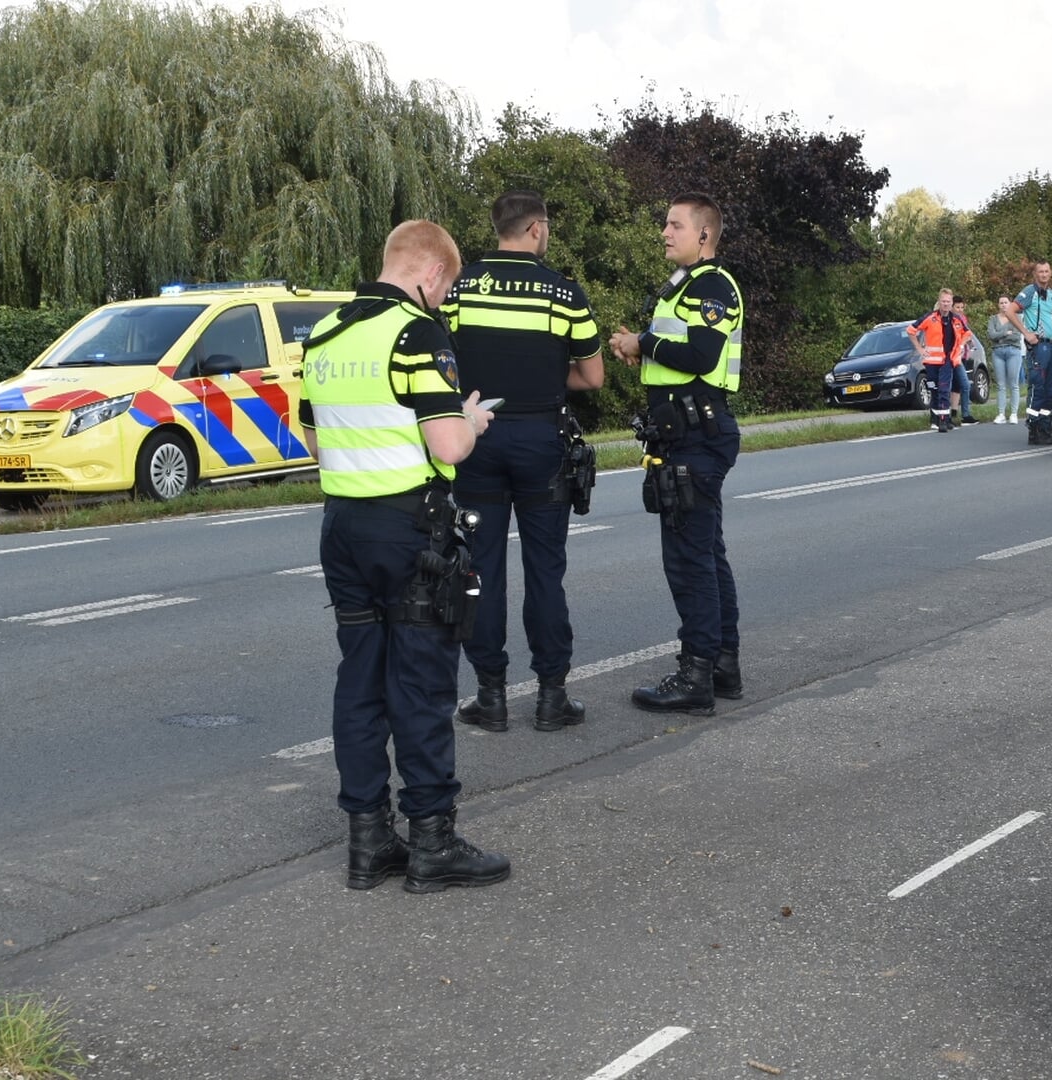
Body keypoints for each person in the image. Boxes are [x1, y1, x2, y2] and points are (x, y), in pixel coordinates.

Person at [298, 220, 512, 895]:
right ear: (431, 275)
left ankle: (369, 842)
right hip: (410, 530)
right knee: (419, 682)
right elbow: (448, 447)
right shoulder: (416, 332)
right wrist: (471, 423)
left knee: (360, 680)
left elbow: (314, 436)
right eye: (444, 292)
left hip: (342, 527)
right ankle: (432, 841)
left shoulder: (325, 333)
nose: (442, 304)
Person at [441, 191, 605, 737]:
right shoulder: (564, 293)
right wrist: (539, 379)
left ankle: (490, 696)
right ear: (537, 229)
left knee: (479, 569)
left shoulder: (461, 287)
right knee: (545, 571)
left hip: (477, 436)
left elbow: (443, 366)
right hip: (541, 439)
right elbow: (593, 377)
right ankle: (551, 698)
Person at [608, 192, 745, 714]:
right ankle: (721, 665)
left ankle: (696, 676)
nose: (665, 232)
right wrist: (638, 347)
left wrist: (644, 343)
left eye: (674, 225)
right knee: (706, 554)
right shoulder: (682, 287)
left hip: (697, 435)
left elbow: (701, 354)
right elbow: (673, 351)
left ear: (704, 235)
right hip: (685, 432)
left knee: (690, 561)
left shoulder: (713, 285)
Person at [1007, 259, 1052, 443]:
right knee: (1038, 386)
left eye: (1047, 271)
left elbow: (1050, 316)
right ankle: (1034, 425)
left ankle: (1046, 423)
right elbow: (1010, 310)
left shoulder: (1051, 294)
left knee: (1050, 388)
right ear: (1035, 274)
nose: (1044, 274)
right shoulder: (1030, 291)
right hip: (1038, 346)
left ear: (1051, 273)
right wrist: (1026, 332)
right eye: (1041, 272)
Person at [905, 288, 970, 434]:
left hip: (948, 360)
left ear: (952, 303)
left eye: (948, 302)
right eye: (943, 301)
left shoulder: (956, 319)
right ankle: (935, 417)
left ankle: (943, 420)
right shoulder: (930, 317)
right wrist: (919, 349)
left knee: (944, 389)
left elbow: (968, 334)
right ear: (939, 302)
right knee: (934, 389)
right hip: (931, 362)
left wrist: (960, 345)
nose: (946, 304)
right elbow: (911, 330)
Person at [988, 295, 1024, 424]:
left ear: (1010, 304)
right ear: (998, 305)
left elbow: (1016, 336)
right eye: (1001, 303)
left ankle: (1014, 413)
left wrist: (1000, 336)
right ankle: (1001, 413)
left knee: (1013, 384)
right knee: (1001, 385)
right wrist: (1004, 333)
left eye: (1005, 302)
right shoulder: (993, 319)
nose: (1003, 305)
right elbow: (991, 335)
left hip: (1013, 350)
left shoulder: (1017, 318)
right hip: (998, 352)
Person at [950, 296, 978, 425]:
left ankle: (954, 412)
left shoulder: (963, 319)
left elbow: (968, 334)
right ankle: (965, 414)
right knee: (965, 385)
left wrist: (969, 343)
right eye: (957, 307)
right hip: (955, 357)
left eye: (962, 307)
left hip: (963, 355)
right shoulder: (951, 320)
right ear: (952, 307)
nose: (960, 310)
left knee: (957, 386)